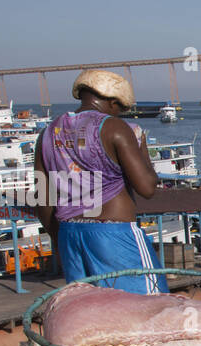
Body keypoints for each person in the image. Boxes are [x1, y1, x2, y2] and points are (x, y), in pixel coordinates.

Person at [33, 69, 167, 294]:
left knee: (91, 313)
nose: (120, 115)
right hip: (115, 234)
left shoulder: (48, 133)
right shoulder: (114, 127)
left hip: (69, 233)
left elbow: (43, 196)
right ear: (114, 102)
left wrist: (58, 238)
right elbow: (147, 188)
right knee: (151, 306)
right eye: (121, 109)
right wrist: (142, 148)